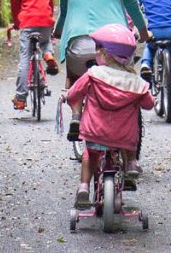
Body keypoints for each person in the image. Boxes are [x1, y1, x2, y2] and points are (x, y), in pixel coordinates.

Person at [52, 0, 149, 148]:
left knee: (75, 77)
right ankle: (128, 144)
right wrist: (143, 33)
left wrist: (57, 32)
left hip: (78, 45)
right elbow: (133, 10)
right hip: (113, 46)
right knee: (125, 80)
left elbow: (64, 13)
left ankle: (76, 116)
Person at [65, 24, 154, 205]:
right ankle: (131, 163)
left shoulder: (93, 74)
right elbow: (148, 105)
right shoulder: (136, 83)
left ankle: (83, 187)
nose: (96, 52)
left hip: (94, 131)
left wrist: (71, 103)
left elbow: (73, 94)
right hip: (123, 136)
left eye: (98, 48)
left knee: (89, 155)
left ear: (105, 54)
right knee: (128, 139)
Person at [10, 0, 58, 111]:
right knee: (45, 42)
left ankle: (21, 99)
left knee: (25, 58)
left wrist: (17, 24)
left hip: (27, 23)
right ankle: (48, 55)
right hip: (45, 21)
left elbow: (15, 8)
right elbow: (50, 4)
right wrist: (49, 20)